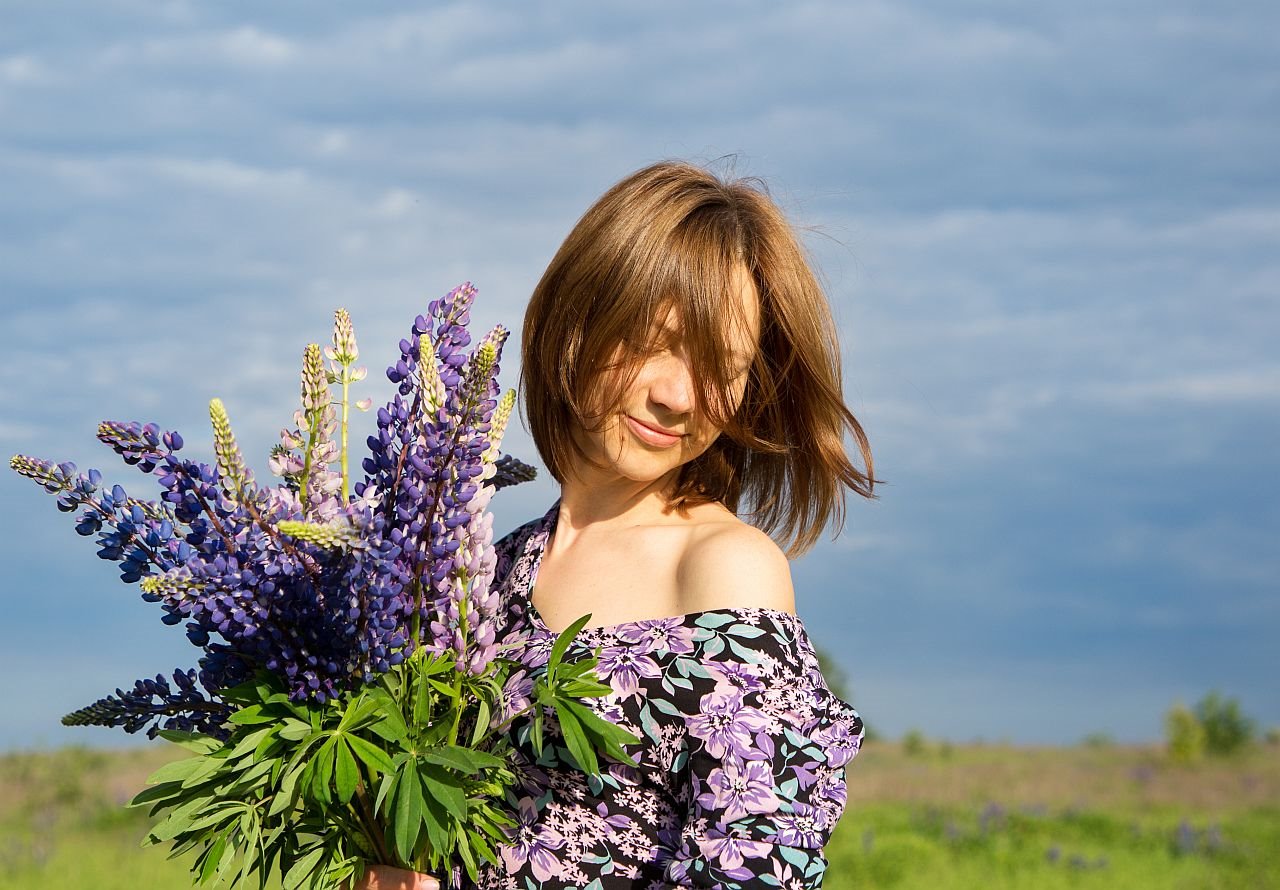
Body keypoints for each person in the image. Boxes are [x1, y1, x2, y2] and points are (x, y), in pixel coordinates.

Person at [416, 158, 874, 889]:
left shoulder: (721, 565)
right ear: (577, 320)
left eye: (721, 368)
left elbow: (756, 869)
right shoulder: (487, 572)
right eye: (656, 342)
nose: (680, 396)